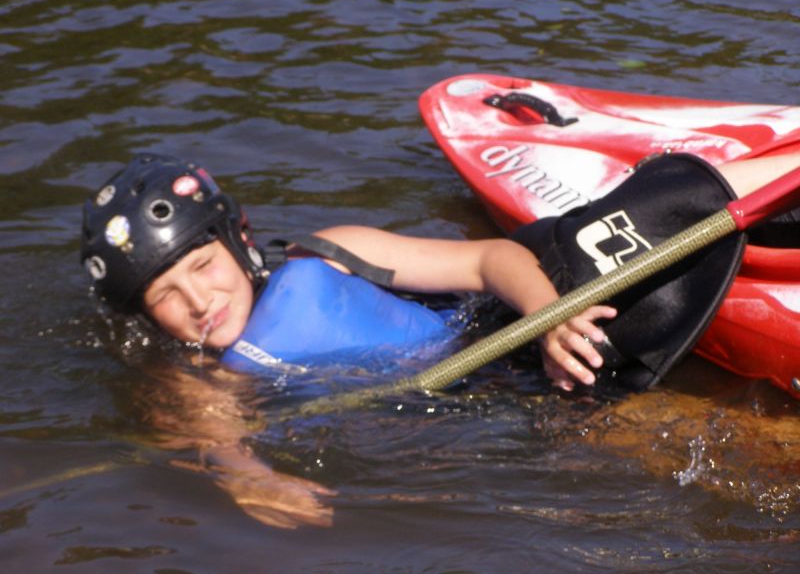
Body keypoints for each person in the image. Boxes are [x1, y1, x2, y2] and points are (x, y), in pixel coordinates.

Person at [80, 150, 800, 528]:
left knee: (637, 230)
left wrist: (550, 317)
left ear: (236, 239)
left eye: (201, 268)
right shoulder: (197, 379)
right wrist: (252, 479)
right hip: (473, 418)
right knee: (682, 447)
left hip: (503, 344)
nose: (198, 302)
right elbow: (219, 440)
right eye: (164, 298)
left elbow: (486, 261)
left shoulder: (329, 254)